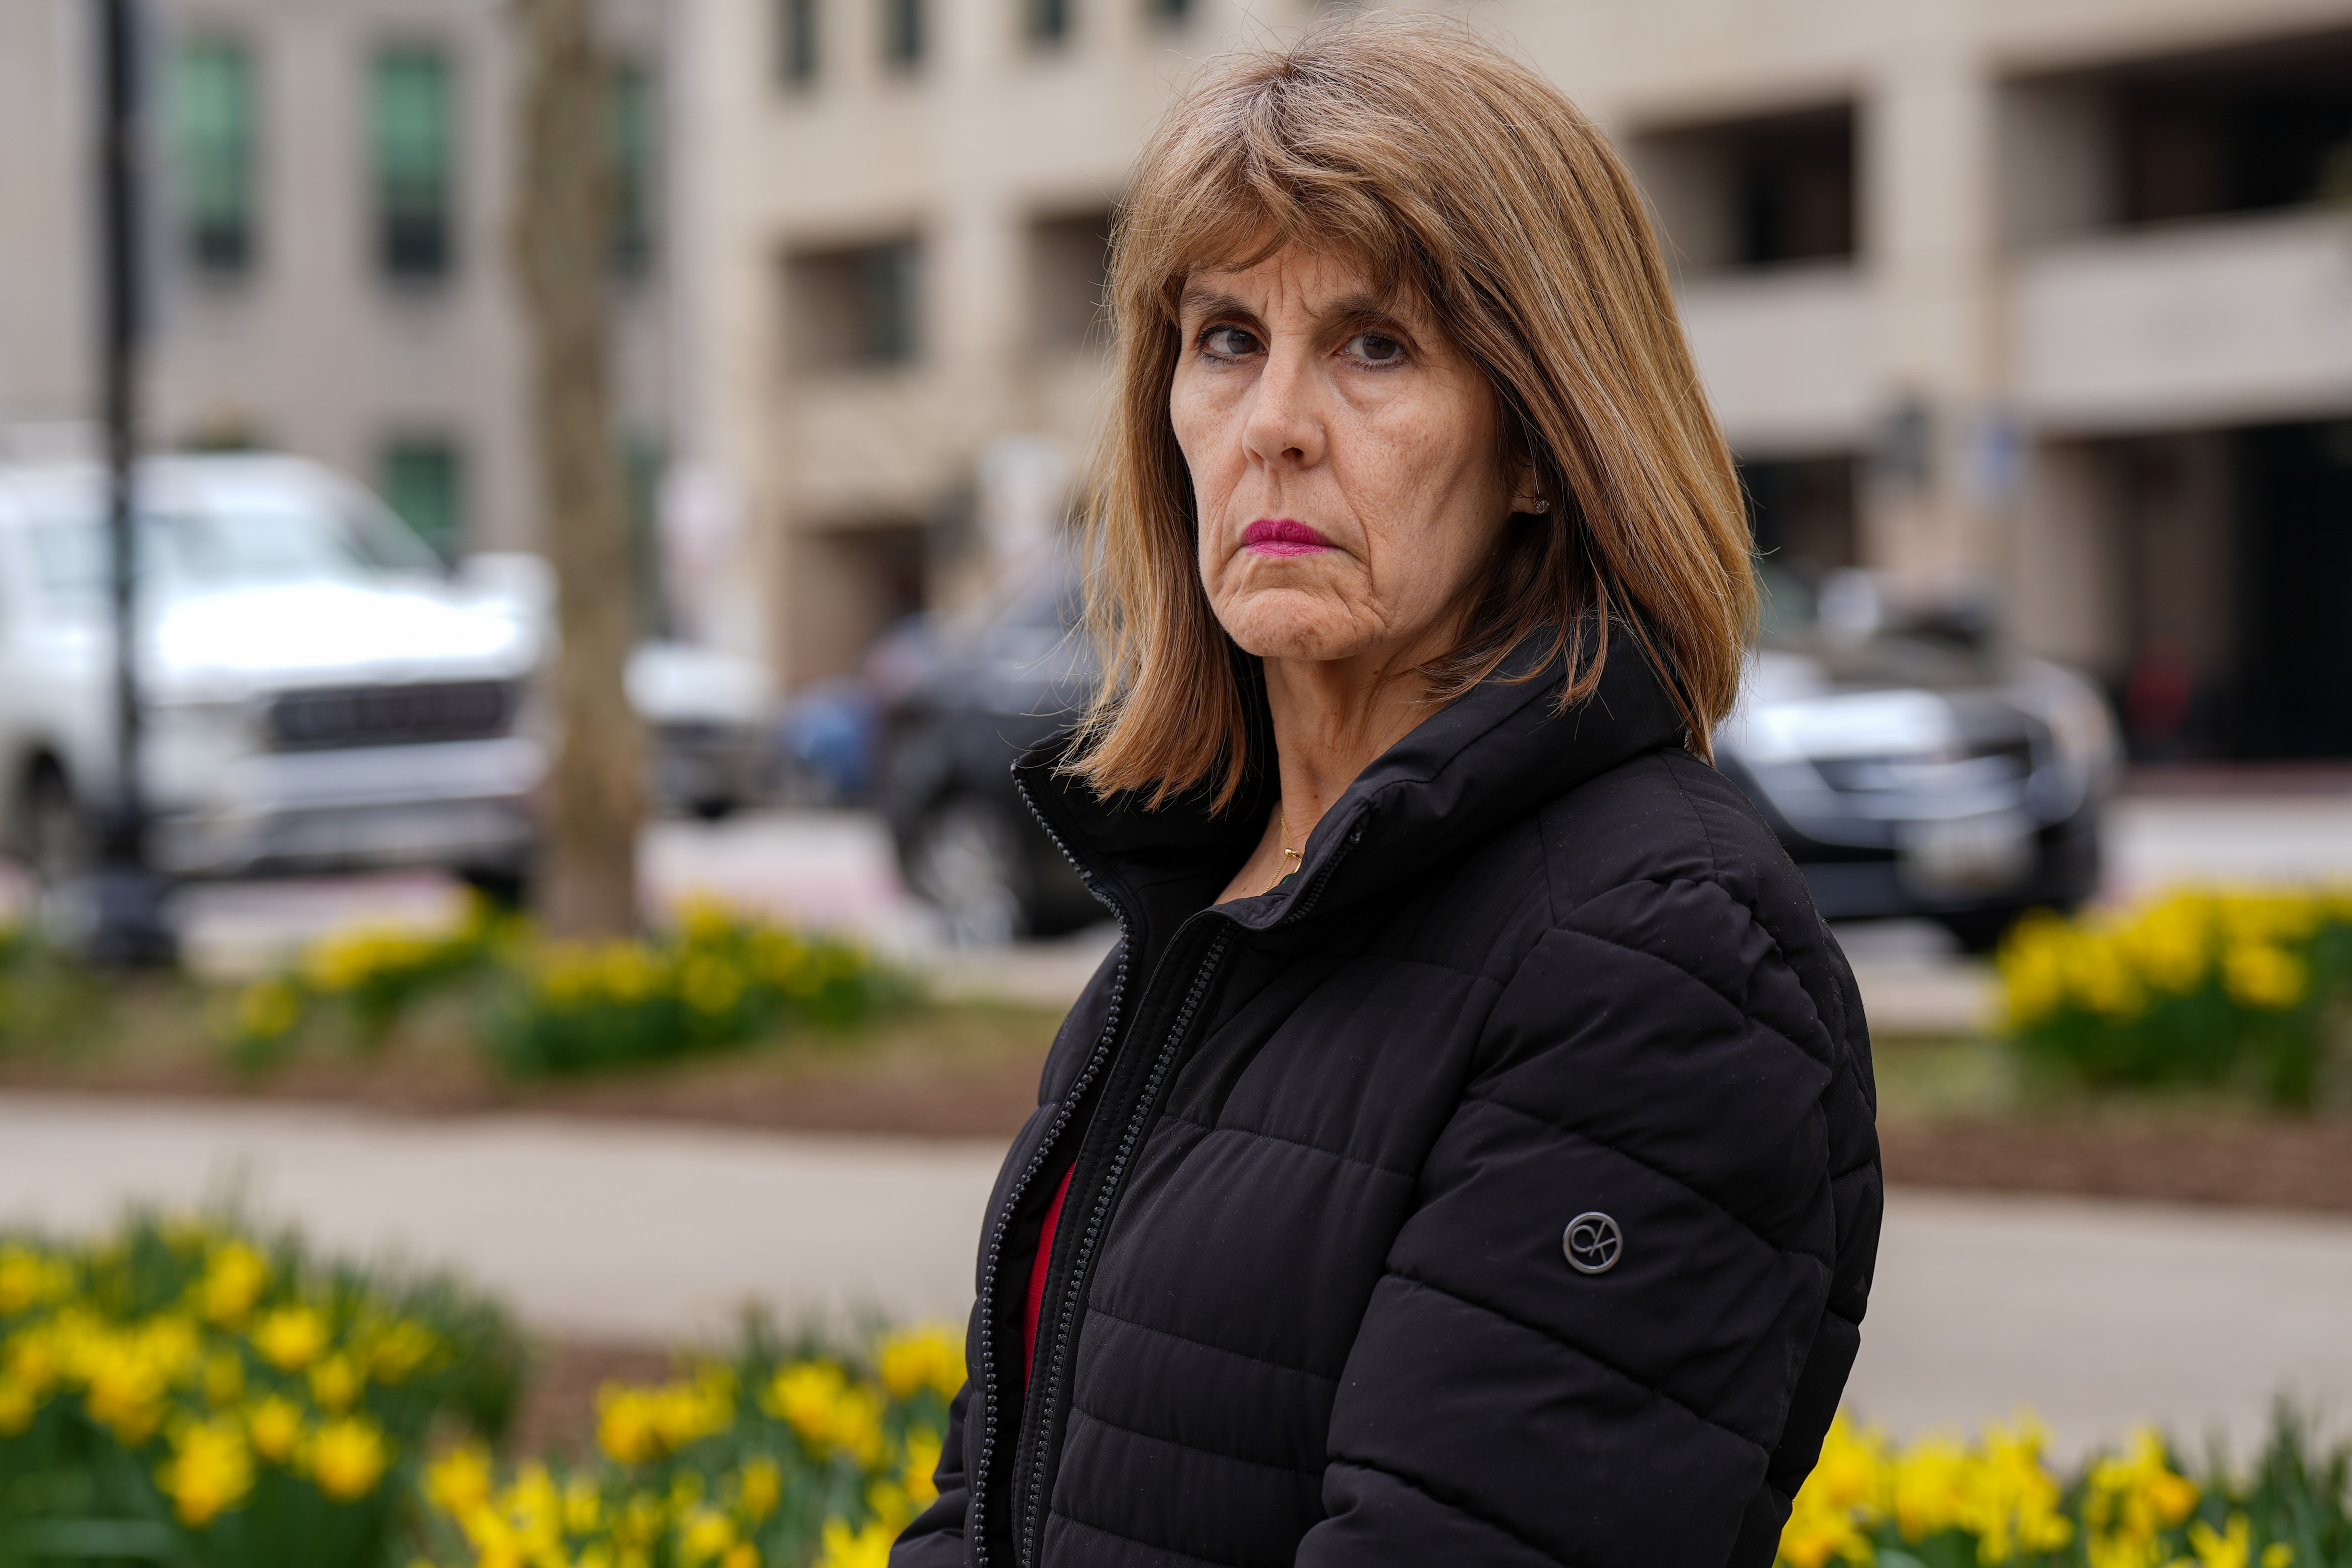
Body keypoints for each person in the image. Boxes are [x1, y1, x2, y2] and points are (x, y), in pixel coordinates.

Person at [893, 16, 1880, 1567]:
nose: (1273, 423)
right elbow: (992, 1505)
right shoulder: (1196, 922)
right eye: (1226, 339)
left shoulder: (1662, 958)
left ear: (1545, 445)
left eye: (1375, 346)